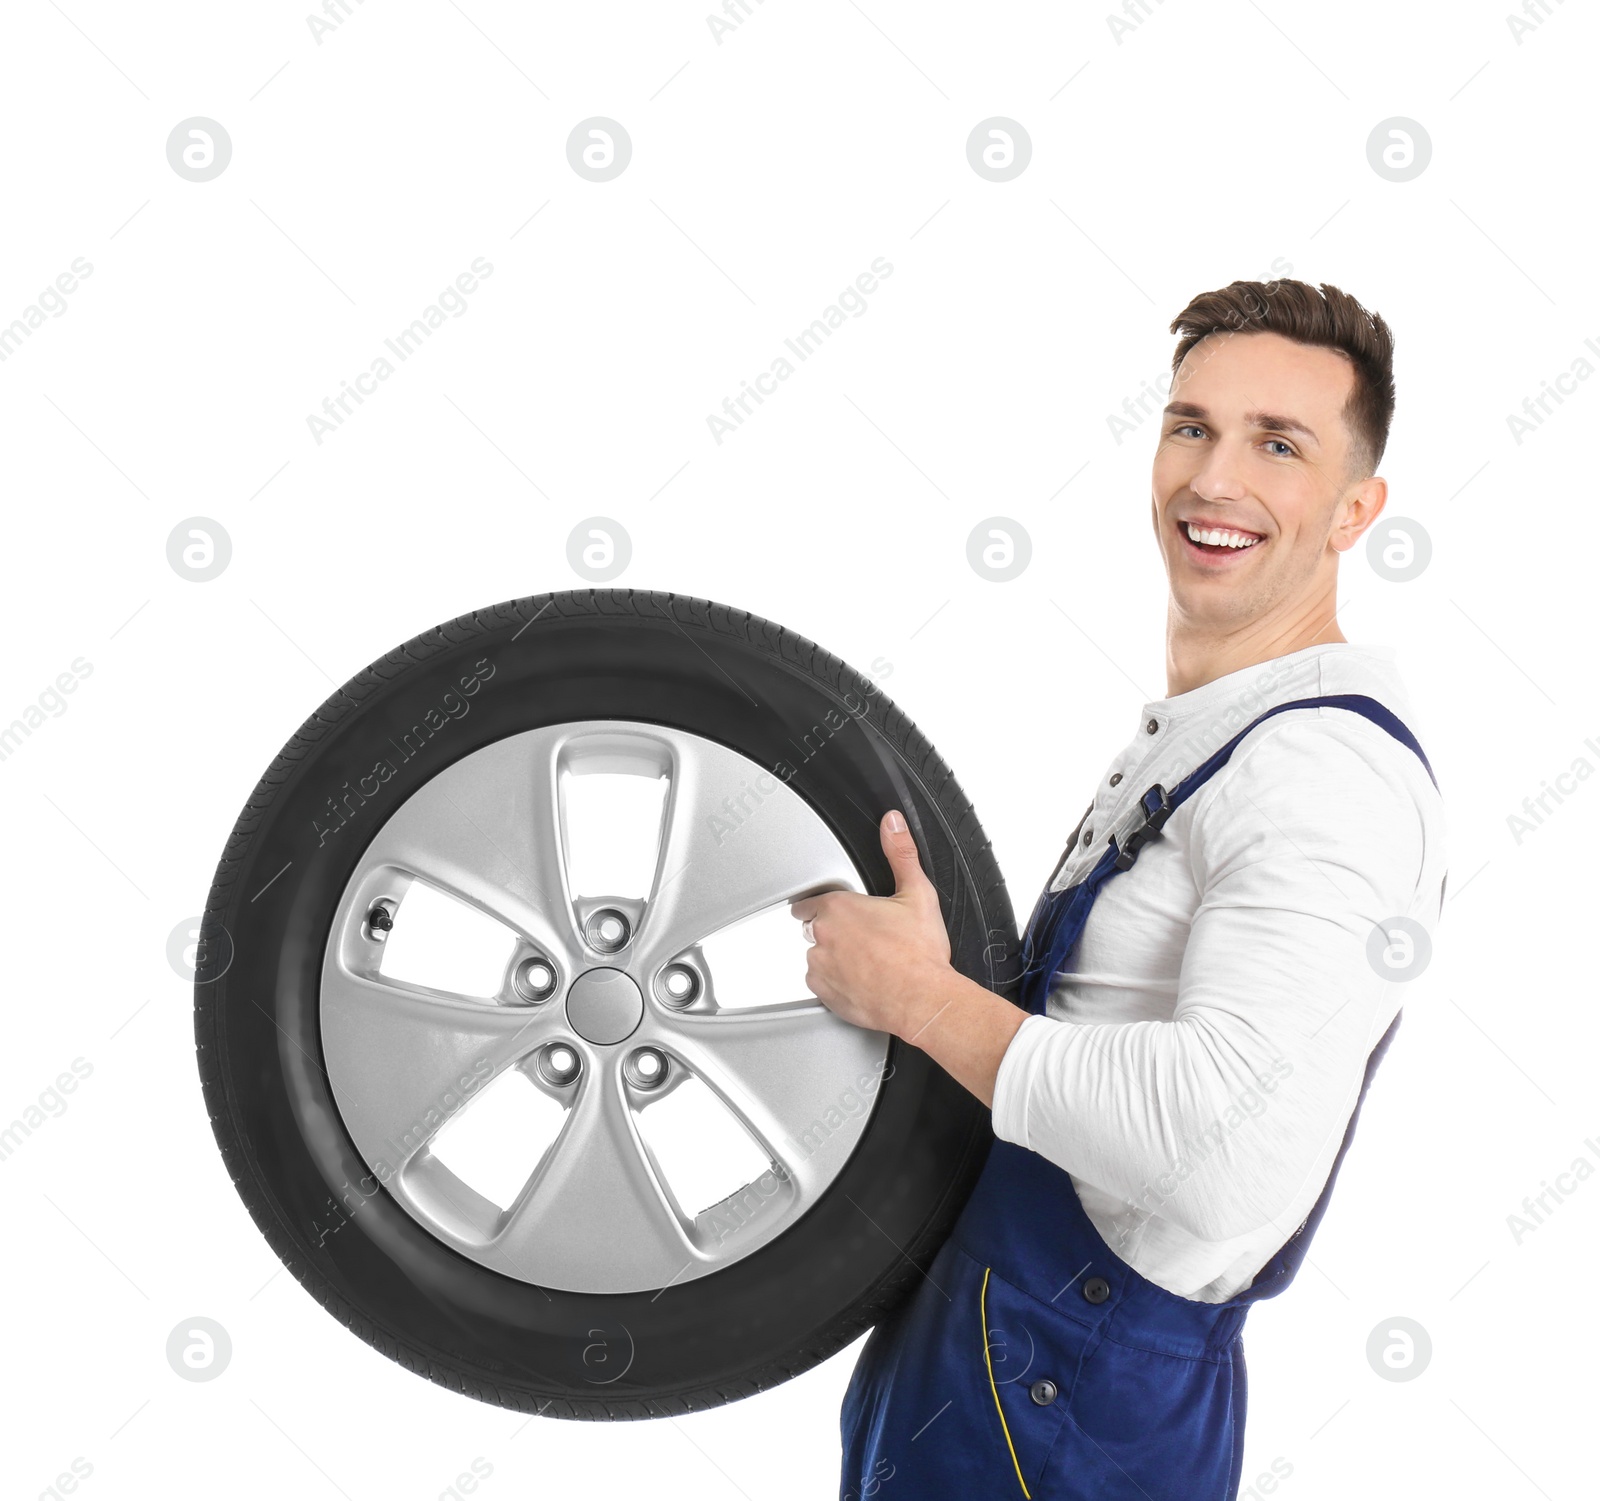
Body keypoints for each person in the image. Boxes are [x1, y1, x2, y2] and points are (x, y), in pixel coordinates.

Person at [792, 278, 1449, 1501]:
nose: (1213, 480)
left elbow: (1227, 1149)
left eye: (1279, 444)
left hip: (1064, 1403)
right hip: (989, 1357)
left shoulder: (1322, 771)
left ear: (1356, 509)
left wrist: (926, 1002)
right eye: (1191, 426)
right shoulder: (1219, 731)